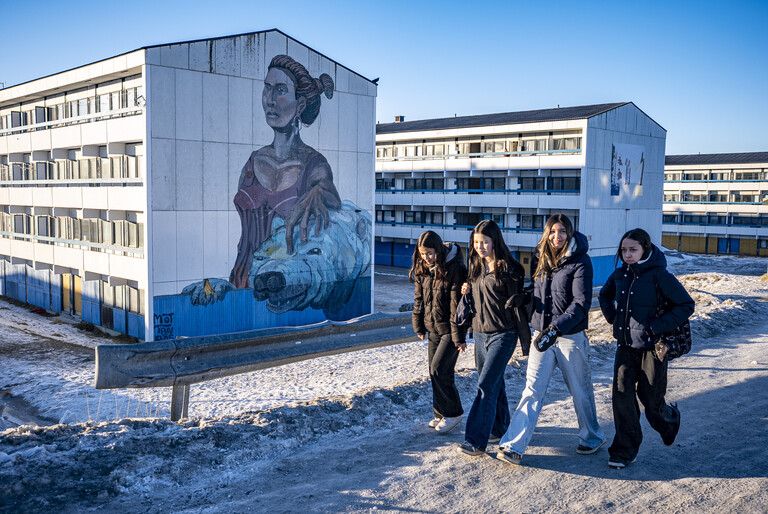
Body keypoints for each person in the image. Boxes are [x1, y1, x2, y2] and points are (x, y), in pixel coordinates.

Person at [184, 54, 341, 305]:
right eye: (267, 88)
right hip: (241, 283)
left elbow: (330, 193)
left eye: (280, 90)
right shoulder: (253, 161)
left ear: (300, 105)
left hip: (282, 291)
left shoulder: (314, 163)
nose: (270, 99)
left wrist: (319, 192)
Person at [496, 214, 604, 466]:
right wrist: (525, 299)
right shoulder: (541, 257)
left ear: (570, 233)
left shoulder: (581, 262)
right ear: (547, 233)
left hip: (569, 337)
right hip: (541, 335)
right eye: (553, 231)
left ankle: (592, 436)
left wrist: (555, 330)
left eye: (563, 231)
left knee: (580, 390)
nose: (558, 236)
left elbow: (580, 304)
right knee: (532, 390)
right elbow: (538, 292)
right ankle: (513, 446)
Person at [599, 228, 694, 469]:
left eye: (633, 250)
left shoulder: (659, 275)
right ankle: (623, 451)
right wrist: (614, 319)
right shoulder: (620, 274)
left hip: (654, 349)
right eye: (624, 250)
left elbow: (686, 304)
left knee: (651, 401)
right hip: (626, 347)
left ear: (646, 249)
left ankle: (669, 420)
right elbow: (604, 295)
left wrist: (656, 327)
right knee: (622, 398)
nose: (627, 254)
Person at [457, 220, 529, 456]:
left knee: (485, 385)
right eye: (476, 242)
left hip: (503, 335)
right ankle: (500, 427)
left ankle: (476, 440)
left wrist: (524, 339)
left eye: (484, 242)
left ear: (494, 241)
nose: (480, 246)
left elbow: (520, 306)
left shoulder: (510, 269)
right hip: (479, 334)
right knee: (494, 384)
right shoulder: (475, 267)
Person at [410, 231, 468, 433]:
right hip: (433, 328)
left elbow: (457, 306)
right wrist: (419, 325)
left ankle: (453, 414)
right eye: (422, 253)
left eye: (430, 253)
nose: (426, 258)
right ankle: (440, 414)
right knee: (434, 373)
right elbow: (419, 300)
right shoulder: (423, 269)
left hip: (450, 331)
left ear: (439, 250)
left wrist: (459, 336)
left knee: (439, 370)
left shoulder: (455, 269)